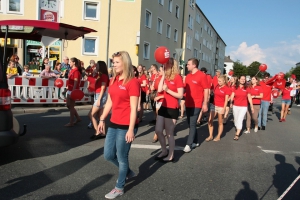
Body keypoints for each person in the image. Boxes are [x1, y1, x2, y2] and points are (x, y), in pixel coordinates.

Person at [97, 51, 140, 199]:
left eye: (116, 62)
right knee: (108, 155)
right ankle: (127, 171)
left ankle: (119, 187)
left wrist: (130, 129)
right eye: (113, 62)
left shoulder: (133, 82)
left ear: (125, 63)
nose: (113, 65)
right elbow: (110, 101)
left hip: (126, 125)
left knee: (122, 157)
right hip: (114, 123)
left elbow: (134, 108)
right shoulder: (113, 79)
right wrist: (102, 119)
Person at [155, 58, 183, 161]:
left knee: (169, 133)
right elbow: (159, 89)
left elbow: (180, 95)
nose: (165, 66)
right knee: (158, 130)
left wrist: (168, 90)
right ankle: (164, 151)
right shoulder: (165, 77)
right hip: (164, 106)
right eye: (164, 64)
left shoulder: (177, 77)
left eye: (167, 64)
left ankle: (171, 155)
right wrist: (162, 76)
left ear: (172, 65)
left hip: (172, 108)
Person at [183, 58, 209, 152]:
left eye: (188, 64)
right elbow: (185, 89)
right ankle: (196, 141)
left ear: (194, 65)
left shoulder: (202, 76)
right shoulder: (188, 76)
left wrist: (205, 103)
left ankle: (188, 144)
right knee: (190, 124)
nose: (187, 66)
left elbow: (206, 89)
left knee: (193, 123)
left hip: (197, 104)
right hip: (188, 103)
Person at [206, 75, 231, 142]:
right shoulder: (217, 86)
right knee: (210, 120)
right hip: (214, 105)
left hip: (221, 106)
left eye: (220, 81)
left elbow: (226, 100)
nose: (218, 82)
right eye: (218, 81)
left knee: (220, 122)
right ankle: (210, 135)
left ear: (224, 81)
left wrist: (224, 108)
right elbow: (212, 91)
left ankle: (218, 136)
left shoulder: (227, 88)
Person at [89, 61, 109, 140]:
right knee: (100, 115)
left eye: (97, 65)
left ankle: (97, 131)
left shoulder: (103, 76)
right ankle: (103, 132)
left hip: (100, 96)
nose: (95, 66)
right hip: (98, 95)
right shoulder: (99, 75)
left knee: (91, 114)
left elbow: (103, 88)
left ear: (100, 66)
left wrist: (99, 99)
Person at [230, 75, 254, 141]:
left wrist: (251, 107)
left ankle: (237, 134)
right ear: (238, 79)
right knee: (236, 119)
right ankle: (237, 127)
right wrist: (230, 102)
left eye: (244, 79)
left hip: (243, 106)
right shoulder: (235, 87)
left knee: (240, 119)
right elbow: (232, 95)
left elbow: (249, 97)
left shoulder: (247, 88)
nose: (243, 80)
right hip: (235, 106)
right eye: (242, 79)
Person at [64, 57, 82, 127]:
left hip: (73, 90)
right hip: (70, 89)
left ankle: (71, 122)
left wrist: (73, 91)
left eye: (70, 62)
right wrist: (67, 88)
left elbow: (75, 82)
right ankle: (78, 118)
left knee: (71, 106)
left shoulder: (76, 71)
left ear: (74, 63)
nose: (69, 63)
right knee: (68, 105)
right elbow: (70, 81)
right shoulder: (72, 70)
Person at [151, 66, 164, 143]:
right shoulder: (158, 78)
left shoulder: (166, 79)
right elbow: (153, 88)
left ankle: (156, 134)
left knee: (159, 118)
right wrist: (155, 79)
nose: (158, 71)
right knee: (157, 117)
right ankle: (159, 132)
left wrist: (161, 96)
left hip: (164, 100)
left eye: (160, 70)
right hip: (158, 99)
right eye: (158, 70)